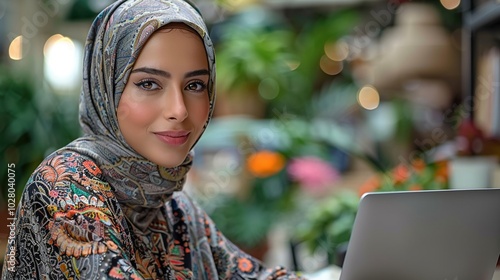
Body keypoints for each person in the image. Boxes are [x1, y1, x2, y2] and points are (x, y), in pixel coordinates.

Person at [1, 0, 306, 279]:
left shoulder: (170, 206)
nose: (179, 110)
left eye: (196, 85)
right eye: (149, 83)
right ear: (106, 89)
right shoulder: (64, 183)